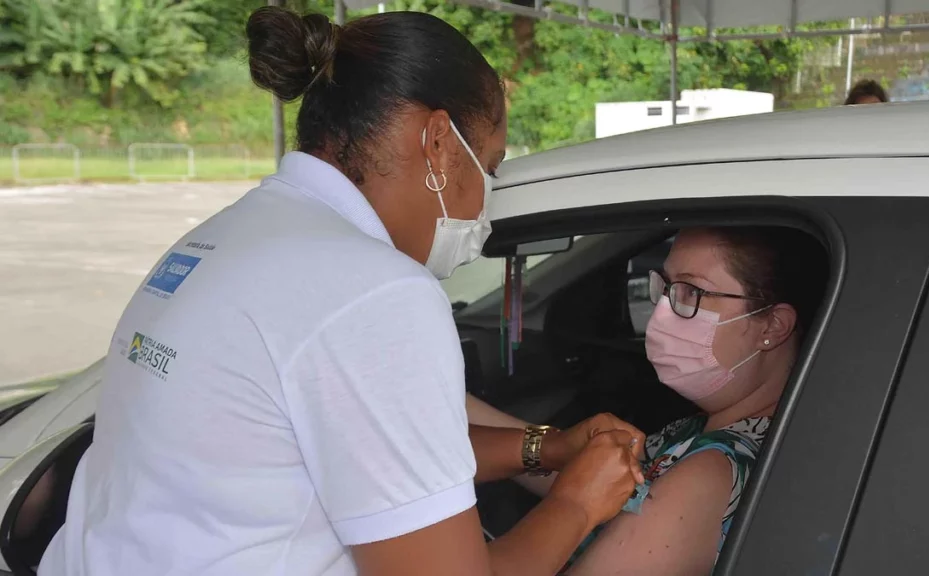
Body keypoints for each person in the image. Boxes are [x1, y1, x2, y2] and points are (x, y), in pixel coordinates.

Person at [38, 8, 646, 576]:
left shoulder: (234, 235)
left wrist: (545, 448)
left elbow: (368, 445)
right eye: (488, 166)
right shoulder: (374, 292)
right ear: (437, 144)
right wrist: (576, 505)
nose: (486, 199)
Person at [469, 226, 828, 575]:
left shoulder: (708, 475)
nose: (661, 312)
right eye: (666, 287)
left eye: (691, 292)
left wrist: (570, 505)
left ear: (772, 327)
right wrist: (455, 404)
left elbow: (588, 494)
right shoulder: (711, 431)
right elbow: (599, 485)